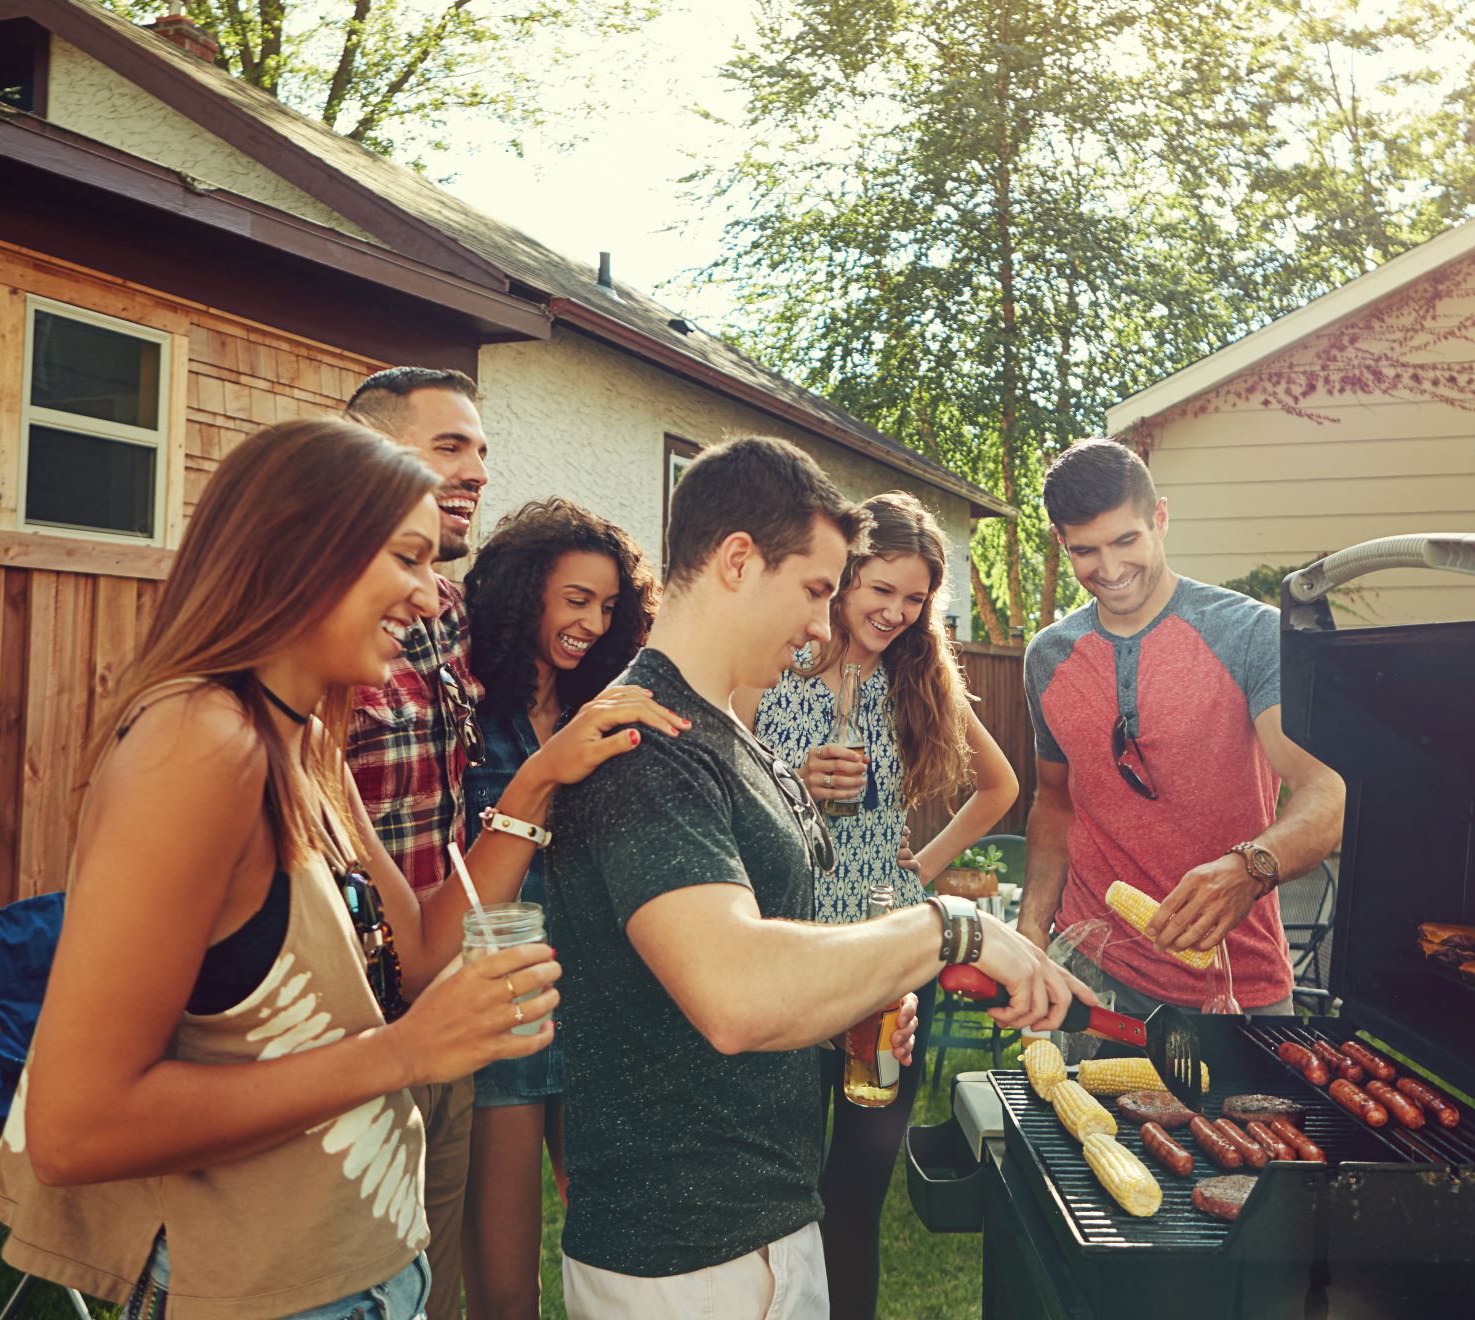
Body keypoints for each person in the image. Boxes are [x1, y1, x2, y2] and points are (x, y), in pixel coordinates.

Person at [0, 418, 566, 1318]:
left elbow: (415, 952)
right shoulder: (198, 745)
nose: (431, 597)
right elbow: (77, 1126)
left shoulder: (304, 738)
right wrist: (406, 1053)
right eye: (407, 558)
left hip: (362, 1271)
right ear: (303, 548)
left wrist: (537, 787)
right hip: (268, 1292)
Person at [547, 436, 1092, 1319]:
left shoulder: (723, 731)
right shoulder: (647, 749)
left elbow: (752, 956)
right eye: (814, 589)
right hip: (688, 1257)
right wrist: (948, 927)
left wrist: (845, 1006)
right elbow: (732, 994)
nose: (819, 622)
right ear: (735, 562)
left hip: (765, 1230)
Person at [342, 365, 683, 1319]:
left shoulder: (452, 632)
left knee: (473, 1269)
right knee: (459, 1279)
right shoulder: (452, 667)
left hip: (501, 983)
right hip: (410, 1003)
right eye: (449, 445)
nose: (476, 470)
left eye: (482, 451)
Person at [742, 490, 1019, 1320]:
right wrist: (794, 788)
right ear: (844, 576)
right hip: (786, 955)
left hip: (893, 965)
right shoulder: (775, 663)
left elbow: (999, 787)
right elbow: (722, 790)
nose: (897, 612)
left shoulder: (920, 674)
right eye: (881, 589)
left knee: (857, 1186)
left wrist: (922, 868)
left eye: (915, 598)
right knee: (780, 1181)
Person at [1017, 438, 1347, 1015]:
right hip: (1091, 969)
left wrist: (1251, 866)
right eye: (1086, 551)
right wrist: (1029, 940)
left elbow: (1326, 790)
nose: (1112, 570)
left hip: (1234, 982)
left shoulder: (1250, 634)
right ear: (1061, 543)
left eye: (1127, 540)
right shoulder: (1049, 656)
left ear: (1160, 518)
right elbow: (1054, 802)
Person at [458, 499, 661, 1320]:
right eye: (576, 599)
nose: (591, 622)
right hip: (502, 1009)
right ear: (523, 593)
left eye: (608, 607)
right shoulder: (467, 713)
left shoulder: (608, 713)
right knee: (505, 1285)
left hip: (600, 1007)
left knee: (621, 1250)